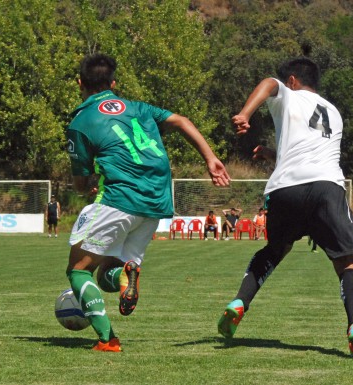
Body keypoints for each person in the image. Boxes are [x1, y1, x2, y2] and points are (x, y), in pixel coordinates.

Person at [65, 53, 230, 352]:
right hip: (155, 203)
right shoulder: (138, 107)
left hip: (119, 198)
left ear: (80, 83)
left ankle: (107, 339)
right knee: (107, 275)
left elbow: (80, 182)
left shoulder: (80, 122)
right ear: (113, 84)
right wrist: (210, 158)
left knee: (78, 270)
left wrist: (87, 186)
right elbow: (181, 120)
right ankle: (126, 277)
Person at [217, 57, 353, 358]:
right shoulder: (335, 113)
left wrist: (245, 113)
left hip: (285, 188)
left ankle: (239, 302)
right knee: (349, 264)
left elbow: (268, 83)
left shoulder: (287, 93)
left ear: (292, 80)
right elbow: (312, 153)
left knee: (275, 250)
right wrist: (274, 153)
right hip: (326, 187)